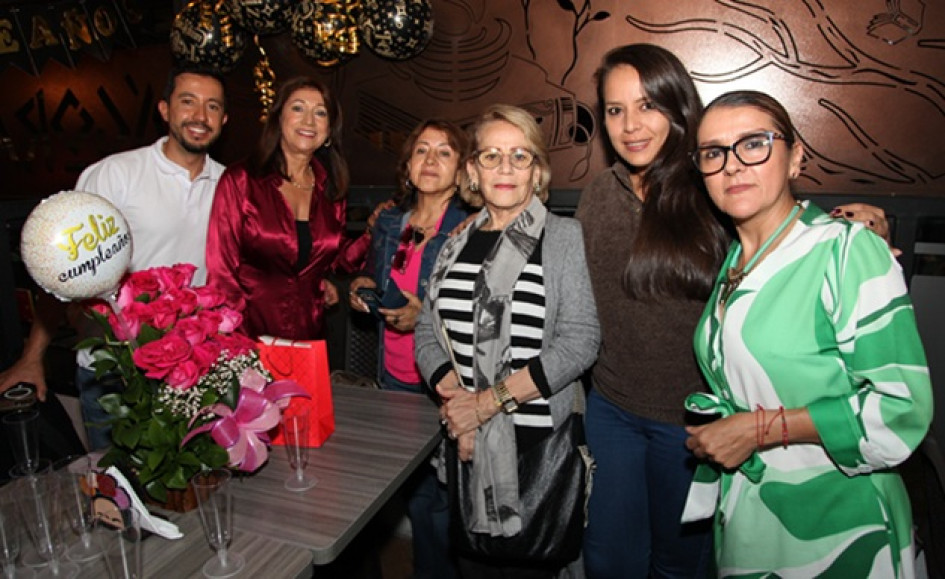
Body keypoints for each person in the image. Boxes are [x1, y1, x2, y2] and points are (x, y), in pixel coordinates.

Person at [575, 43, 896, 579]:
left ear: (676, 107)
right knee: (609, 561)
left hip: (696, 422)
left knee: (680, 566)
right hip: (612, 409)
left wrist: (860, 224)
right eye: (615, 109)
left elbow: (787, 232)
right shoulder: (597, 196)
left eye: (648, 105)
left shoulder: (713, 184)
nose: (631, 124)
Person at [684, 89, 932, 577]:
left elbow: (903, 407)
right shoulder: (735, 259)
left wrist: (755, 430)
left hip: (839, 520)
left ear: (795, 157)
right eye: (714, 152)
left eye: (754, 144)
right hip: (756, 515)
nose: (732, 165)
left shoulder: (846, 251)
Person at [0, 65, 228, 450]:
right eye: (187, 102)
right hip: (114, 373)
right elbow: (66, 272)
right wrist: (32, 355)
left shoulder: (229, 185)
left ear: (224, 119)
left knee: (193, 492)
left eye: (212, 106)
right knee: (117, 497)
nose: (200, 117)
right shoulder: (114, 175)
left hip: (193, 371)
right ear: (164, 110)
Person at [415, 104, 600, 577]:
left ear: (536, 170)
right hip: (467, 445)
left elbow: (580, 343)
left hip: (538, 448)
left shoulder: (562, 236)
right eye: (492, 156)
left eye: (519, 156)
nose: (505, 169)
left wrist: (487, 404)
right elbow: (427, 331)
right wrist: (461, 404)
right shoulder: (453, 244)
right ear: (473, 169)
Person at [348, 119, 471, 579]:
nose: (432, 160)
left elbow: (477, 314)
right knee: (413, 493)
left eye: (445, 151)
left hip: (438, 383)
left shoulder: (468, 228)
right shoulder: (390, 223)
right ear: (408, 165)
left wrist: (426, 317)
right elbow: (375, 278)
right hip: (391, 378)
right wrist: (363, 288)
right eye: (422, 150)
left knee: (437, 499)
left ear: (461, 171)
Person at [206, 76, 369, 340]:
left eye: (320, 113)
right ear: (278, 118)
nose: (309, 121)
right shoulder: (242, 180)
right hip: (249, 335)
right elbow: (221, 273)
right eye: (298, 108)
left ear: (329, 130)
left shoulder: (331, 189)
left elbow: (336, 260)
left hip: (309, 336)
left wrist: (373, 232)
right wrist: (238, 344)